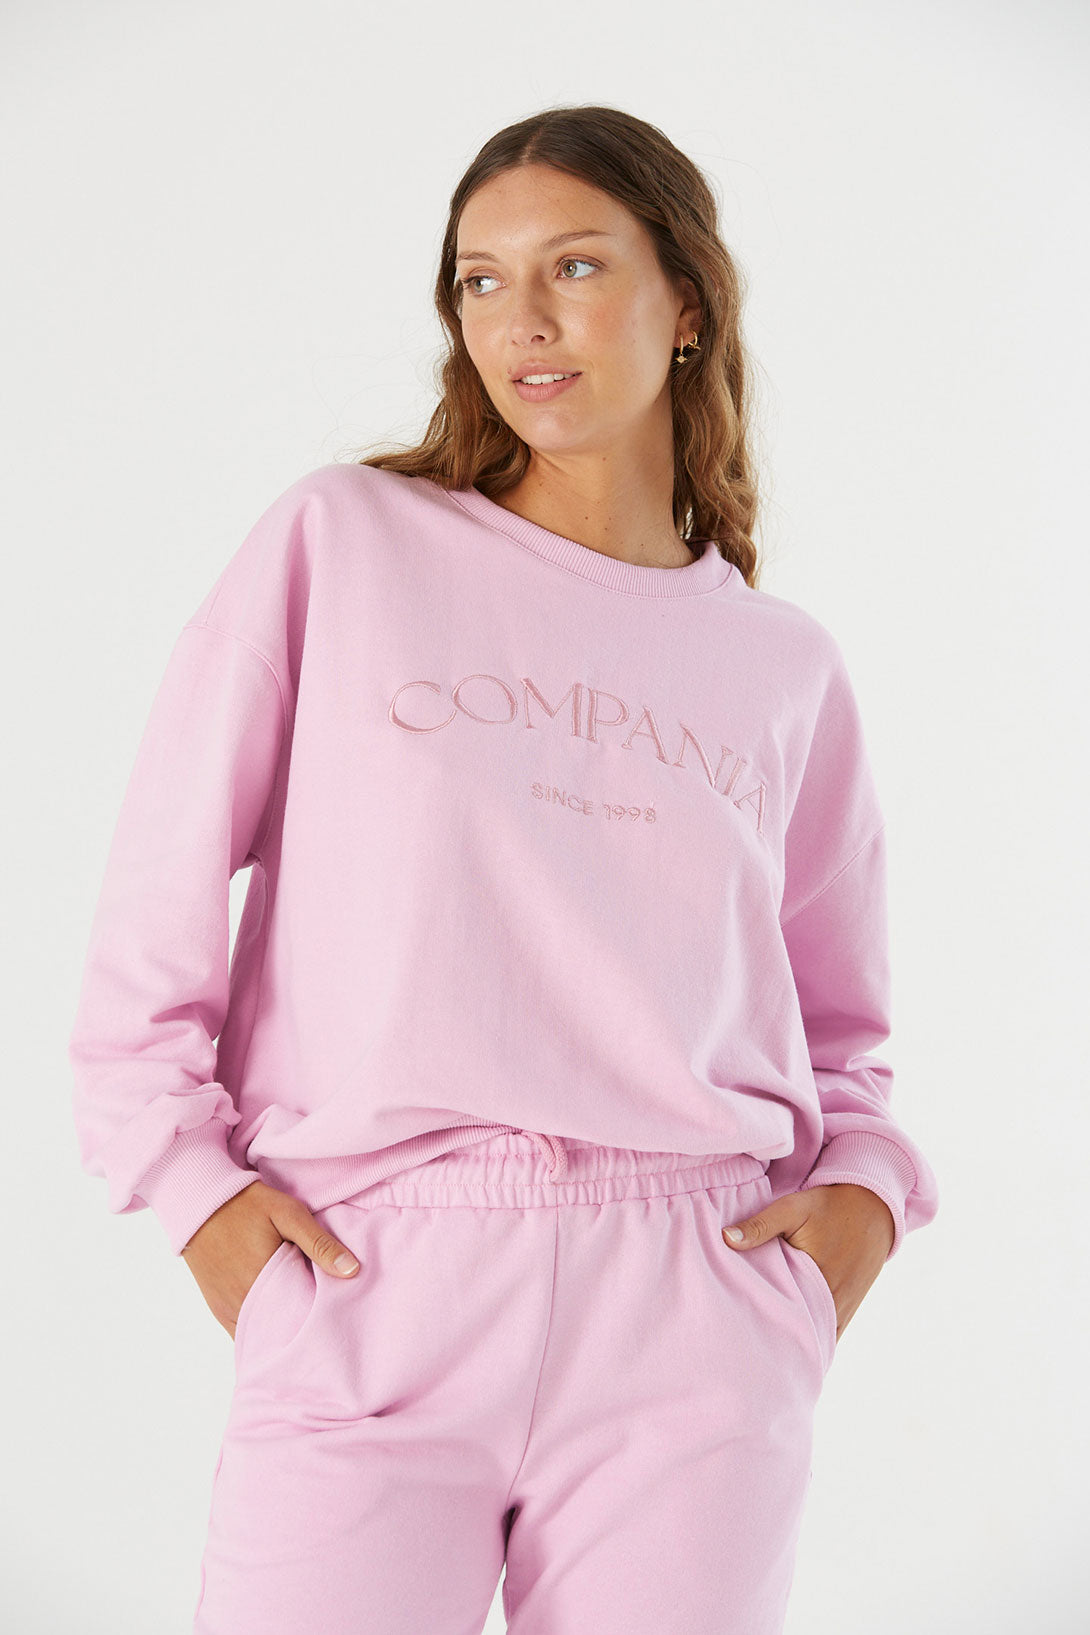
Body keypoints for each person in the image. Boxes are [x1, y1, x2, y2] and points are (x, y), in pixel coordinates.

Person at [67, 104, 940, 1635]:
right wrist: (194, 1191)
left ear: (685, 303)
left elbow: (839, 1027)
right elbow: (155, 901)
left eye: (574, 267)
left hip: (694, 1305)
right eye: (480, 280)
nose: (520, 320)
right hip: (372, 1272)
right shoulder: (343, 544)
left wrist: (858, 1201)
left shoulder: (780, 666)